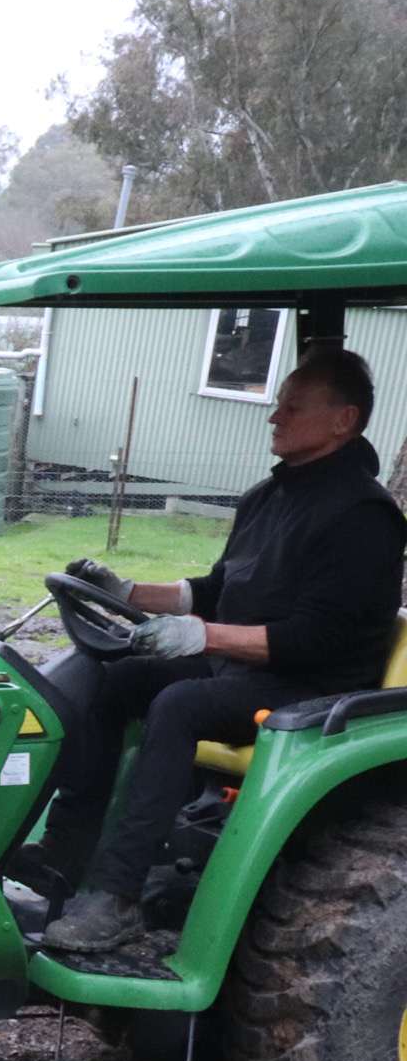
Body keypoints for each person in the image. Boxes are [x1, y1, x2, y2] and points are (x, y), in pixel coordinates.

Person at [31, 347, 406, 951]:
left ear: (344, 420)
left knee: (182, 702)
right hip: (244, 666)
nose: (273, 417)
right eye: (278, 404)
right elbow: (217, 590)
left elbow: (316, 639)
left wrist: (202, 637)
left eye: (291, 406)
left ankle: (120, 897)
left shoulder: (364, 516)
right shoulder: (267, 496)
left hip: (315, 689)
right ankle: (67, 856)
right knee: (111, 677)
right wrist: (128, 591)